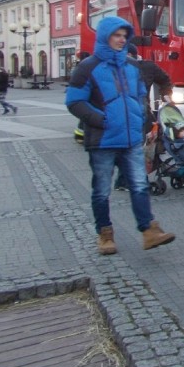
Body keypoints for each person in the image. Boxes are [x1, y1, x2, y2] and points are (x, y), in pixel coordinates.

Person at [65, 16, 175, 255]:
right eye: (117, 35)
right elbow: (74, 101)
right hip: (103, 141)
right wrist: (101, 120)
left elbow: (139, 97)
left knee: (139, 185)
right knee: (102, 190)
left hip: (131, 140)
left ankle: (149, 231)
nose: (121, 40)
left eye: (124, 36)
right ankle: (105, 234)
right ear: (105, 36)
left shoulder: (132, 67)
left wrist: (140, 121)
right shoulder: (87, 67)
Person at [115, 43, 174, 190]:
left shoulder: (147, 67)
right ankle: (129, 181)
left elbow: (165, 79)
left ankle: (127, 181)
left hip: (143, 114)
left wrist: (166, 96)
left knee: (141, 146)